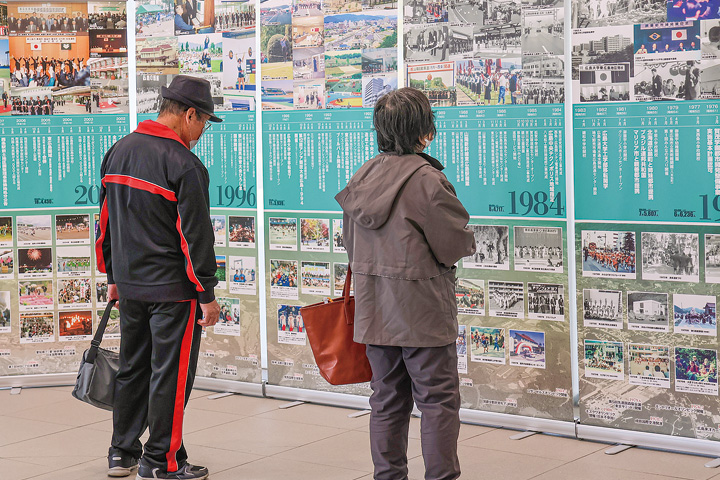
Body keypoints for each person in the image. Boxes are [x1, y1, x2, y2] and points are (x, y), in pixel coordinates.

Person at [336, 88, 476, 480]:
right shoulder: (429, 181)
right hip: (422, 313)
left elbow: (352, 243)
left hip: (374, 309)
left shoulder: (361, 176)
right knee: (437, 402)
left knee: (386, 400)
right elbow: (451, 246)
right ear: (424, 131)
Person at [97, 75, 222, 480]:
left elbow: (105, 223)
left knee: (134, 367)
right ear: (188, 114)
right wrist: (206, 291)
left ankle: (122, 453)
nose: (203, 131)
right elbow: (194, 237)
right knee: (171, 375)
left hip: (131, 286)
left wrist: (113, 274)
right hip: (173, 291)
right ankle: (161, 464)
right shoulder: (184, 164)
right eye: (203, 122)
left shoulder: (118, 151)